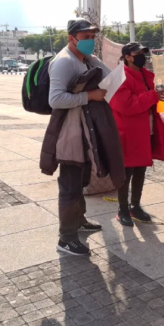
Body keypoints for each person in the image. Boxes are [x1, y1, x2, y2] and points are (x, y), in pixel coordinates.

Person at [48, 18, 110, 256]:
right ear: (71, 38)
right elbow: (55, 100)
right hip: (70, 133)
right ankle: (66, 238)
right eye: (85, 38)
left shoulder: (85, 59)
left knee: (82, 180)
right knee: (70, 186)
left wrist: (95, 62)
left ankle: (80, 221)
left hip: (85, 131)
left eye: (92, 37)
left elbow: (111, 77)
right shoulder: (64, 62)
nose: (90, 41)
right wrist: (90, 96)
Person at [111, 43, 164, 227]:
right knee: (126, 172)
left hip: (145, 130)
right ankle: (122, 209)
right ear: (128, 56)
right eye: (138, 53)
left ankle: (135, 206)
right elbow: (127, 105)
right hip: (128, 132)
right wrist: (153, 96)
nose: (142, 56)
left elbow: (149, 99)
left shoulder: (145, 75)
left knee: (140, 170)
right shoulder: (120, 77)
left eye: (144, 53)